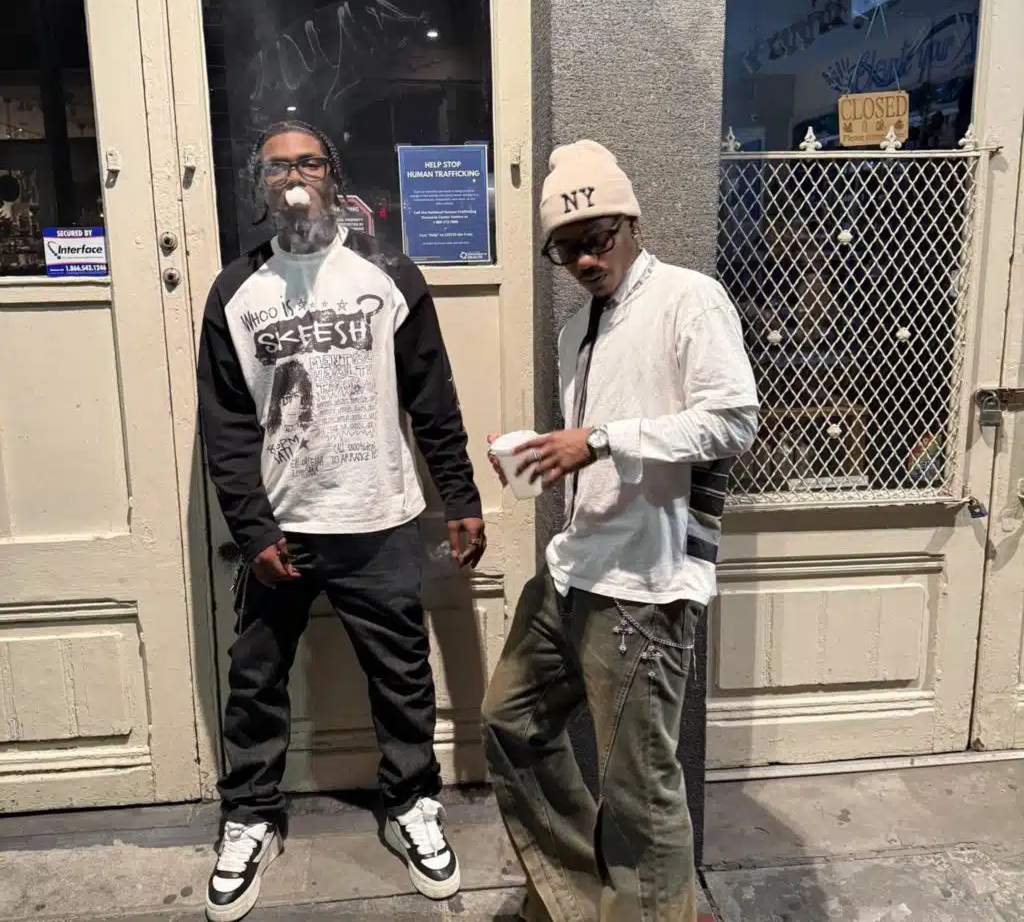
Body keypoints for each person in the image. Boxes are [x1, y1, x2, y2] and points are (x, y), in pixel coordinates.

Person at [197, 120, 485, 922]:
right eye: (278, 168)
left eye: (309, 163)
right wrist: (253, 531)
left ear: (334, 176)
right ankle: (251, 815)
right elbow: (225, 427)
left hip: (378, 517)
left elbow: (432, 397)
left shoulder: (389, 274)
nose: (295, 179)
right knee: (255, 680)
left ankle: (411, 803)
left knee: (401, 673)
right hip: (281, 529)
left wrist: (460, 497)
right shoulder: (235, 291)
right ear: (259, 186)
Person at [481, 140, 758, 922]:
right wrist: (548, 456)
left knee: (639, 788)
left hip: (645, 582)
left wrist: (601, 440)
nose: (583, 260)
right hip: (574, 569)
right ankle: (594, 898)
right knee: (511, 721)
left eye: (597, 238)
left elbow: (733, 421)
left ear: (631, 222)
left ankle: (652, 909)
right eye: (565, 248)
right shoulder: (577, 329)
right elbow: (600, 440)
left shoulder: (689, 299)